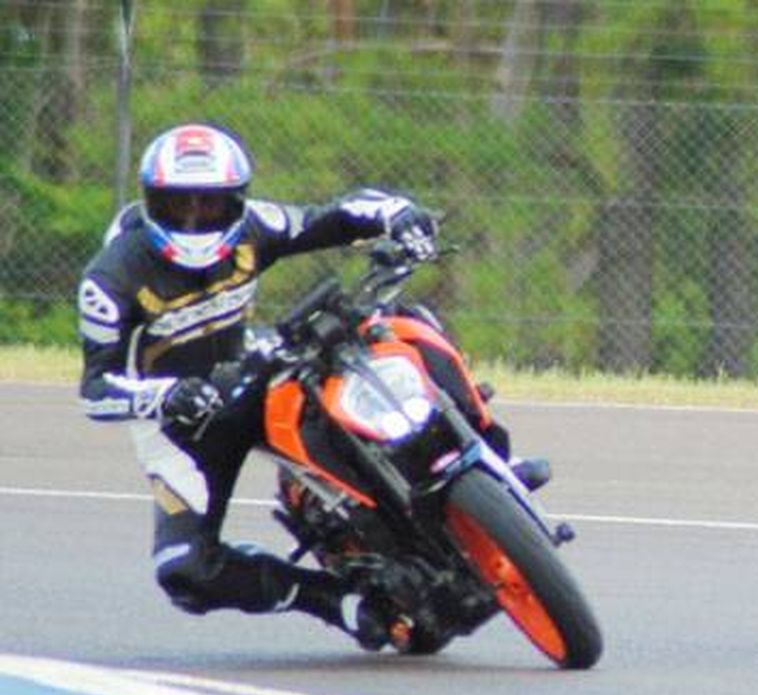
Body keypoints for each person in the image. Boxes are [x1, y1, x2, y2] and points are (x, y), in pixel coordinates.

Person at [77, 122, 545, 651]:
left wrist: (399, 215)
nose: (193, 220)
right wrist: (165, 395)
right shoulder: (109, 279)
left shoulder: (257, 225)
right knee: (183, 571)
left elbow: (338, 216)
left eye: (209, 206)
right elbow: (95, 389)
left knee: (401, 325)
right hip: (181, 422)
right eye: (176, 205)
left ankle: (486, 449)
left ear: (236, 200)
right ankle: (333, 600)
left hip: (256, 371)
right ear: (149, 202)